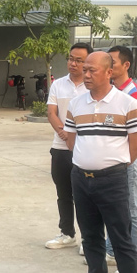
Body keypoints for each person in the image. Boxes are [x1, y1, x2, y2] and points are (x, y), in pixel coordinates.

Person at [65, 51, 137, 273]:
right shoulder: (76, 104)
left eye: (92, 70)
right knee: (90, 236)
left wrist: (112, 166)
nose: (85, 74)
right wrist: (87, 162)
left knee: (121, 238)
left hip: (113, 180)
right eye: (84, 69)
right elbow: (71, 140)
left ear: (109, 72)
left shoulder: (127, 104)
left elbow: (136, 145)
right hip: (81, 179)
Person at [44, 42, 91, 251]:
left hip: (86, 149)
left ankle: (89, 239)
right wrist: (64, 133)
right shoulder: (58, 84)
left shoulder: (92, 86)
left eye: (79, 60)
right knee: (63, 194)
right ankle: (67, 233)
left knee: (86, 196)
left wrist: (76, 137)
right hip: (60, 148)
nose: (73, 63)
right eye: (71, 59)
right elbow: (51, 113)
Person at [106, 44, 137, 273]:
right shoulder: (110, 90)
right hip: (111, 161)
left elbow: (131, 132)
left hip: (127, 160)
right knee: (112, 208)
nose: (108, 66)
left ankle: (136, 258)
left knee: (131, 209)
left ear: (126, 65)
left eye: (112, 62)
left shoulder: (133, 92)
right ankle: (112, 251)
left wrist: (128, 161)